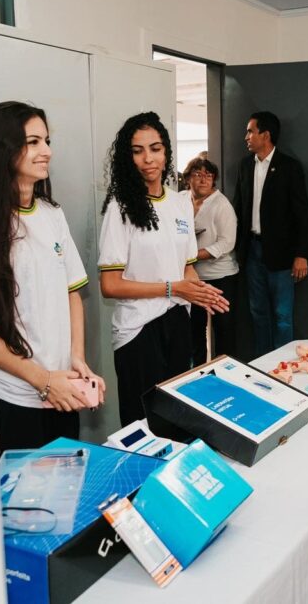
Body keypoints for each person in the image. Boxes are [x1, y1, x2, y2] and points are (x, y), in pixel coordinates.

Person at [0, 101, 105, 452]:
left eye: (46, 141)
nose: (46, 151)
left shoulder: (51, 214)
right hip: (14, 397)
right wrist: (42, 380)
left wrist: (75, 359)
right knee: (25, 503)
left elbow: (71, 293)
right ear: (1, 149)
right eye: (32, 142)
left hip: (62, 389)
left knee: (65, 492)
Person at [99, 112, 229, 426]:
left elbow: (186, 267)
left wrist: (201, 292)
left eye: (155, 149)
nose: (148, 159)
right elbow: (110, 285)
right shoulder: (121, 208)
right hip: (138, 330)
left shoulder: (180, 203)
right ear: (127, 158)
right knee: (143, 423)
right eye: (137, 150)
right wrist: (172, 288)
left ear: (167, 152)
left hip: (177, 322)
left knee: (176, 419)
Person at [232, 111, 308, 356]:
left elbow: (302, 214)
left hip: (281, 253)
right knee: (258, 312)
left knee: (282, 315)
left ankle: (283, 364)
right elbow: (238, 206)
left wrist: (301, 254)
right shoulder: (245, 166)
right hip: (252, 250)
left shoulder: (289, 167)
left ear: (265, 135)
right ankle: (263, 364)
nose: (246, 136)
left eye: (250, 131)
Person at [184, 155, 239, 365]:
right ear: (188, 178)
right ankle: (196, 373)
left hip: (221, 276)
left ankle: (226, 373)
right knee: (194, 330)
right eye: (198, 174)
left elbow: (227, 243)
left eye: (208, 175)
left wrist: (193, 255)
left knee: (223, 330)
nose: (203, 179)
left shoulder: (221, 205)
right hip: (193, 278)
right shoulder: (181, 200)